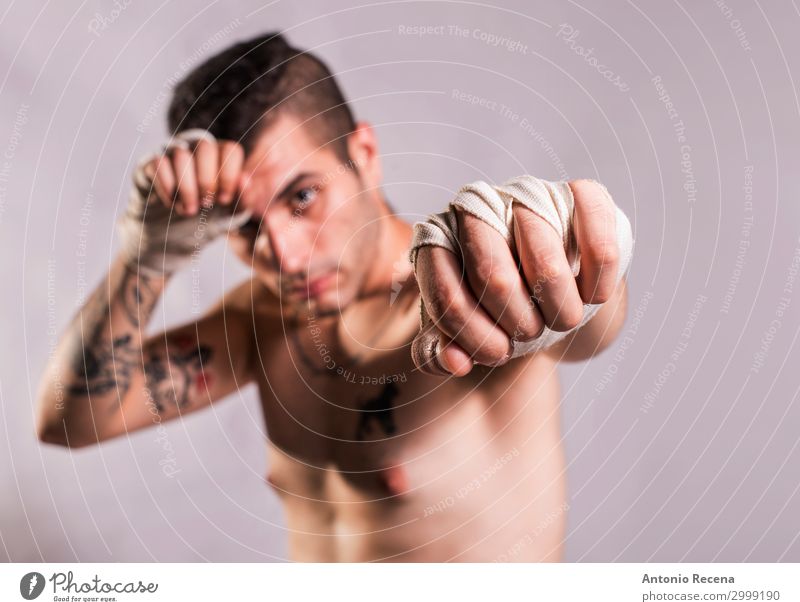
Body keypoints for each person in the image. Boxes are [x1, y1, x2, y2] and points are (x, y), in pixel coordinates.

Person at [35, 32, 630, 562]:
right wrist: (149, 255)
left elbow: (581, 315)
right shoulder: (259, 320)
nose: (284, 256)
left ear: (363, 155)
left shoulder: (467, 289)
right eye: (245, 226)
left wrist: (566, 244)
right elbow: (71, 421)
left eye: (302, 198)